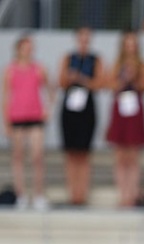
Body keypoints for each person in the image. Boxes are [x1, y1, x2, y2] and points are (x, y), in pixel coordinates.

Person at [2, 34, 51, 210]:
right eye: (25, 47)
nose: (28, 50)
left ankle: (38, 195)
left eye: (31, 47)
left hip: (35, 116)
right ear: (18, 49)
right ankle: (20, 195)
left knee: (37, 156)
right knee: (18, 156)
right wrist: (6, 121)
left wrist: (48, 108)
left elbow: (50, 88)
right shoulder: (10, 70)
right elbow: (6, 96)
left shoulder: (39, 68)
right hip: (17, 117)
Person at [58, 27, 104, 206]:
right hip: (70, 107)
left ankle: (82, 194)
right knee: (70, 152)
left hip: (87, 107)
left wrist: (82, 79)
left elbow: (101, 83)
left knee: (84, 152)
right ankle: (72, 193)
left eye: (87, 38)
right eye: (81, 38)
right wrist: (70, 78)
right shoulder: (68, 58)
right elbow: (60, 82)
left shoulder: (96, 59)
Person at [105, 31, 144, 208]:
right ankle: (122, 193)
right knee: (120, 155)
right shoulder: (117, 65)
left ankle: (132, 193)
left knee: (133, 155)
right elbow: (110, 85)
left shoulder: (143, 66)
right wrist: (123, 80)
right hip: (120, 109)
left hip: (135, 108)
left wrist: (135, 77)